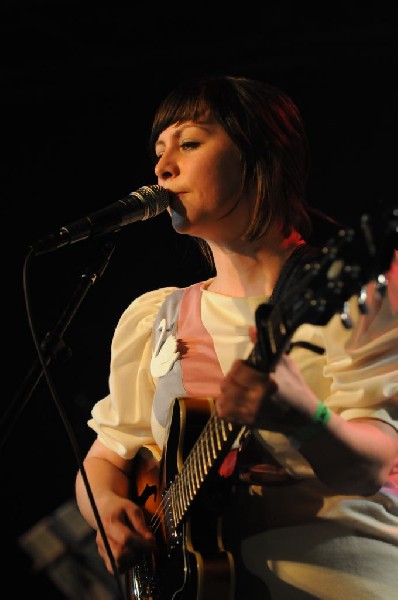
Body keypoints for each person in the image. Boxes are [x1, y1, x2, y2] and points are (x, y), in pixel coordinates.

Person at [75, 75, 398, 599]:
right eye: (159, 151)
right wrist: (110, 511)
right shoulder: (157, 316)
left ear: (259, 153)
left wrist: (304, 417)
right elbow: (104, 461)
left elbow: (371, 467)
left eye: (190, 143)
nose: (162, 167)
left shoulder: (354, 289)